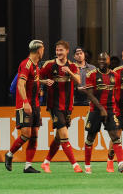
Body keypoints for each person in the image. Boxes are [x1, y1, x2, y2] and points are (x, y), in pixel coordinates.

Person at [82, 52, 123, 174]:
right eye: (100, 60)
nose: (102, 62)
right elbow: (89, 93)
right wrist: (101, 108)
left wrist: (118, 109)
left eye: (104, 60)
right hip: (95, 110)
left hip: (110, 110)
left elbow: (117, 94)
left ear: (109, 61)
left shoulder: (115, 76)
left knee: (115, 136)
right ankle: (87, 166)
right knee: (90, 138)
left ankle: (120, 164)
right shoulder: (91, 74)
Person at [39, 41, 83, 173]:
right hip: (54, 105)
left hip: (68, 106)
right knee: (64, 134)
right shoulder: (49, 65)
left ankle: (46, 163)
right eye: (57, 50)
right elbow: (36, 77)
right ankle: (75, 165)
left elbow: (78, 81)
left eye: (61, 50)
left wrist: (69, 71)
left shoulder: (72, 66)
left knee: (58, 137)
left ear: (67, 51)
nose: (58, 53)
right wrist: (44, 81)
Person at [4, 39, 44, 173]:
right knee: (26, 134)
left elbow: (33, 83)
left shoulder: (36, 66)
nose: (43, 51)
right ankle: (9, 154)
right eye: (43, 49)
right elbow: (20, 85)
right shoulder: (26, 64)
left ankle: (28, 166)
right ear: (38, 50)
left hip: (35, 105)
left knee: (35, 135)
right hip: (25, 104)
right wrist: (26, 102)